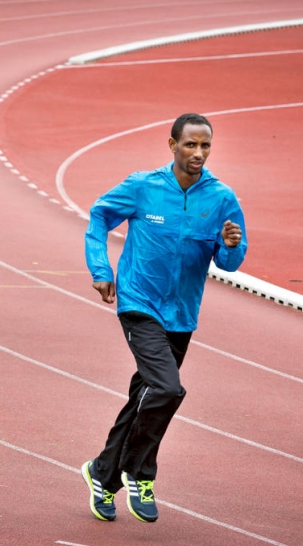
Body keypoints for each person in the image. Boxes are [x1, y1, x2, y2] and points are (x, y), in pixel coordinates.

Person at [81, 113, 247, 523]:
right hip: (138, 302)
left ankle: (101, 474)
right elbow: (100, 216)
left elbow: (229, 262)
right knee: (168, 389)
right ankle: (139, 472)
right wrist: (101, 270)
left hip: (182, 314)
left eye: (205, 146)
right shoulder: (143, 187)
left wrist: (230, 246)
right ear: (172, 145)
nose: (198, 153)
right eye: (190, 145)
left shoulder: (221, 197)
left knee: (146, 395)